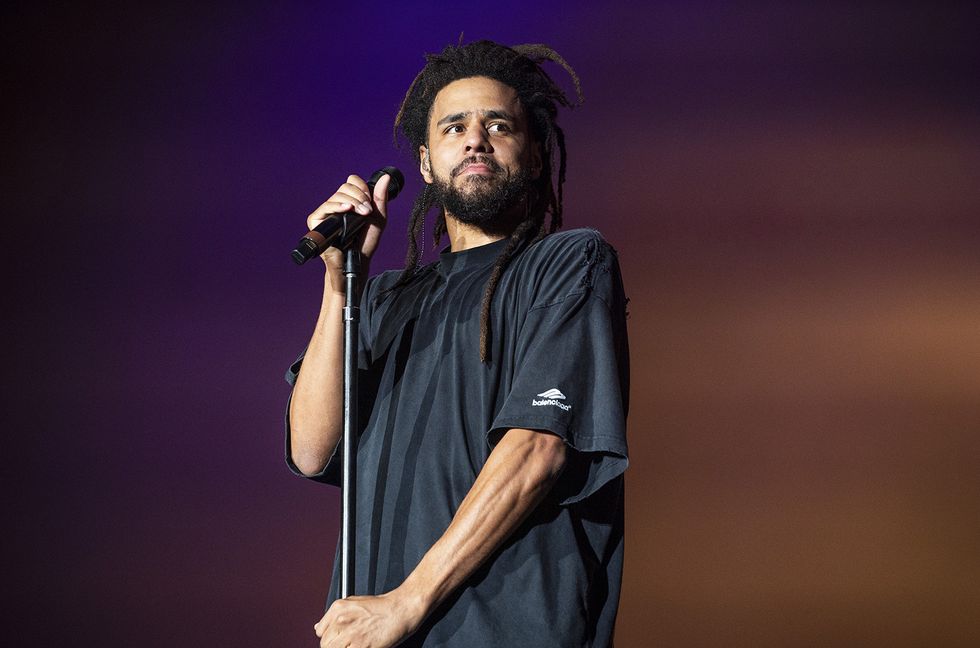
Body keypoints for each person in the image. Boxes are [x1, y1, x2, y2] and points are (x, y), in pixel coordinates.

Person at [285, 40, 630, 648]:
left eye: (498, 125)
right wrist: (340, 289)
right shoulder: (386, 299)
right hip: (374, 630)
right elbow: (313, 449)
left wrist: (407, 603)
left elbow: (537, 450)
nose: (476, 139)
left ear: (532, 155)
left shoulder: (567, 263)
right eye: (454, 127)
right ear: (424, 161)